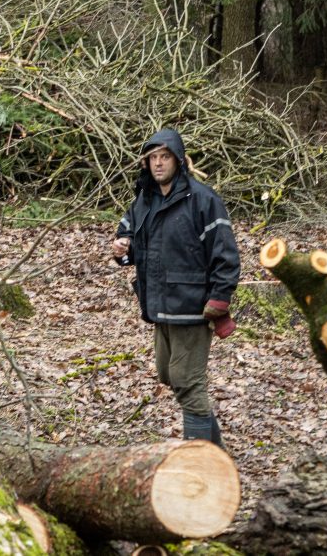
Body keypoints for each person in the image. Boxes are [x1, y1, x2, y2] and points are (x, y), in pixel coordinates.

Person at [112, 128, 240, 446]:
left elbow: (226, 254)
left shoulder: (203, 200)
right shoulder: (144, 200)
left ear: (179, 161)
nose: (158, 164)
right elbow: (129, 234)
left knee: (187, 381)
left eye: (164, 157)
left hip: (193, 307)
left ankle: (199, 462)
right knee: (168, 375)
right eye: (153, 158)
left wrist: (220, 298)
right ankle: (216, 455)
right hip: (158, 305)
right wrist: (123, 248)